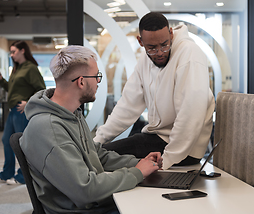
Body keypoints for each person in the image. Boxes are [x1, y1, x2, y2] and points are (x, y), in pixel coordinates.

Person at [20, 45, 163, 214]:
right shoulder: (48, 129)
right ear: (81, 81)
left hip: (94, 204)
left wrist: (141, 164)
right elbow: (86, 190)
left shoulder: (71, 116)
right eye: (96, 76)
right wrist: (137, 172)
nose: (98, 82)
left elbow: (98, 156)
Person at [94, 12, 215, 170]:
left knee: (102, 158)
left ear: (171, 34)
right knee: (101, 155)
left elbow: (191, 112)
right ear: (140, 42)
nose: (159, 52)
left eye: (164, 44)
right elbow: (127, 106)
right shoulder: (145, 60)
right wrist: (97, 141)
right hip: (157, 138)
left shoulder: (189, 54)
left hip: (185, 150)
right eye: (152, 47)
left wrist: (168, 159)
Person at [0, 40, 46, 185]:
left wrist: (28, 102)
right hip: (13, 110)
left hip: (22, 110)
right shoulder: (16, 68)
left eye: (14, 51)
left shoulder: (31, 68)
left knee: (22, 144)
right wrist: (1, 80)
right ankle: (7, 173)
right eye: (10, 52)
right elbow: (11, 89)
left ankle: (23, 176)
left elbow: (41, 89)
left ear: (23, 51)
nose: (12, 55)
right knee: (6, 140)